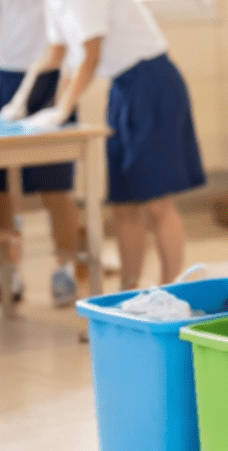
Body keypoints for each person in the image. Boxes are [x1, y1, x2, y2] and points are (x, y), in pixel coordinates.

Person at [5, 0, 206, 290]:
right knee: (123, 204)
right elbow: (56, 56)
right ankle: (129, 289)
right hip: (121, 88)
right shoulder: (54, 4)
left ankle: (171, 290)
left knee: (156, 202)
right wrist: (21, 99)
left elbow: (91, 56)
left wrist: (63, 109)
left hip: (151, 81)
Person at [0, 0, 81, 307]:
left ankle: (66, 267)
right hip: (4, 75)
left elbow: (73, 40)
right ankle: (9, 273)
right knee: (1, 189)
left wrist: (61, 97)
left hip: (50, 79)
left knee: (55, 187)